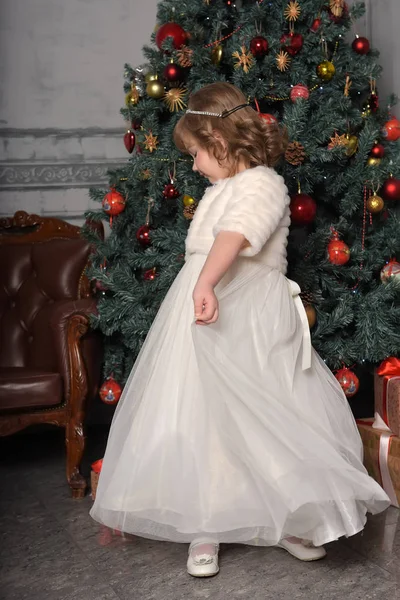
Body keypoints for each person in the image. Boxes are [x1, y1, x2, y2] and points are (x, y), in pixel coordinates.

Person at [90, 82, 390, 578]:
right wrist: (201, 284)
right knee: (203, 415)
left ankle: (289, 518)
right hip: (206, 310)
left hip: (248, 309)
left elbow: (238, 236)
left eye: (196, 154)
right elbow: (207, 246)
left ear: (221, 144)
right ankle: (204, 524)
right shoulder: (217, 191)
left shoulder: (263, 184)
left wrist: (206, 280)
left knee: (272, 410)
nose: (192, 166)